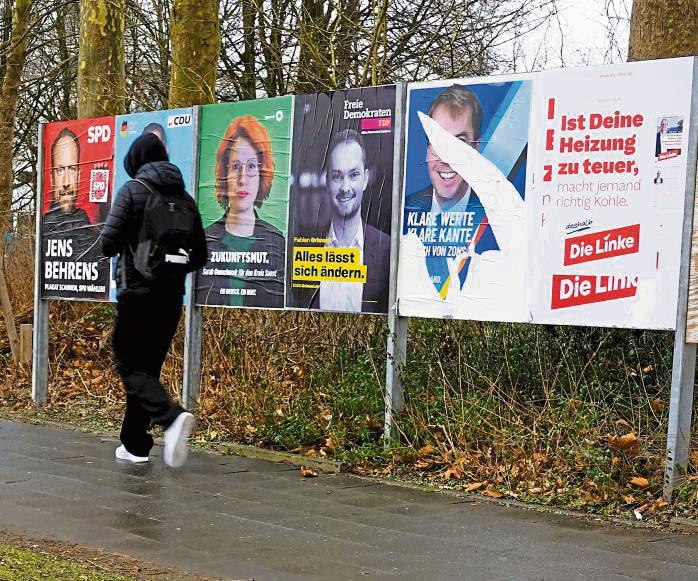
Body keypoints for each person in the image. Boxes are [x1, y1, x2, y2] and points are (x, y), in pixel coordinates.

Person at [101, 132, 207, 467]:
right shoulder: (186, 199)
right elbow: (200, 255)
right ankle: (135, 445)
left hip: (137, 295)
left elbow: (107, 243)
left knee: (128, 362)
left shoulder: (133, 190)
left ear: (135, 162)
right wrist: (169, 267)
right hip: (171, 299)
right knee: (145, 370)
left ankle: (171, 418)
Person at [403, 85, 498, 291]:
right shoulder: (401, 213)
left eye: (459, 143)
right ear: (428, 150)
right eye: (439, 142)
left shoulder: (497, 220)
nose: (447, 157)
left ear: (476, 149)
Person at [196, 115, 286, 308]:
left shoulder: (277, 243)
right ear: (224, 174)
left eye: (252, 166)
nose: (242, 179)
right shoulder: (203, 240)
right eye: (236, 167)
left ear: (263, 174)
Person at [307, 129, 389, 313]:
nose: (345, 187)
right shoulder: (306, 246)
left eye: (353, 175)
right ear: (327, 181)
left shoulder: (387, 251)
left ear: (366, 179)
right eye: (337, 176)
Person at [43, 128, 102, 265]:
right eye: (60, 170)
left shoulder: (83, 220)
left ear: (79, 176)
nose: (66, 183)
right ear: (51, 179)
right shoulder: (44, 227)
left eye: (72, 169)